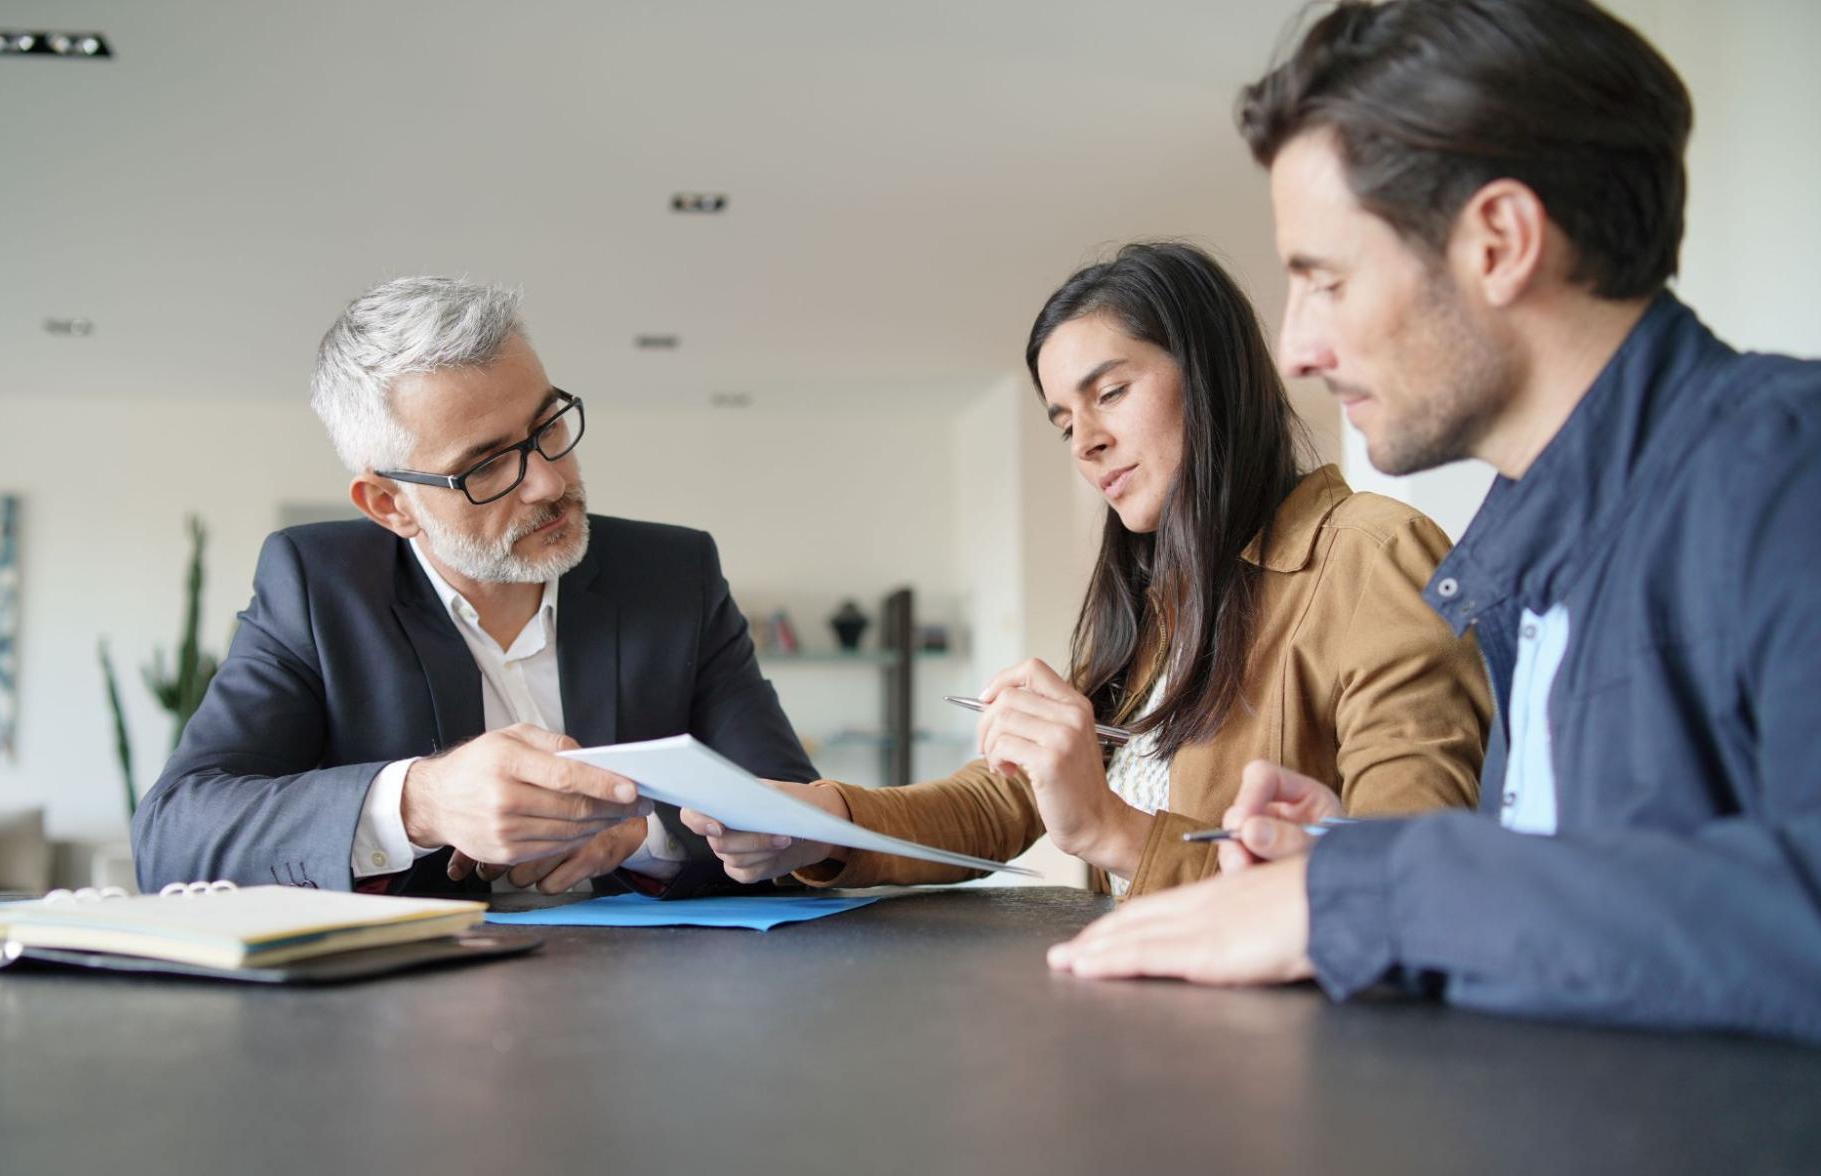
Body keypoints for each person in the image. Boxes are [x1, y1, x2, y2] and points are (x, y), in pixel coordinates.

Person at [1046, 0, 1821, 1043]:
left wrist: (1378, 890)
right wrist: (1349, 856)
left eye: (1324, 278)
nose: (1294, 350)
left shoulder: (1784, 469)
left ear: (1498, 240)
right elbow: (1594, 909)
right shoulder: (1534, 562)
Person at [683, 241, 1490, 899]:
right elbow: (1003, 802)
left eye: (1109, 393)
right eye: (1064, 420)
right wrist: (818, 819)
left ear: (1212, 376)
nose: (1084, 443)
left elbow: (1410, 879)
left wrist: (1109, 829)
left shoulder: (1371, 554)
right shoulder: (1161, 599)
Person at [133, 276, 815, 897]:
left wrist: (643, 838)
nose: (550, 482)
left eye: (548, 427)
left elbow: (793, 810)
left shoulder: (673, 574)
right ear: (388, 505)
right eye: (485, 467)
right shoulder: (318, 588)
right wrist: (421, 802)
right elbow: (173, 836)